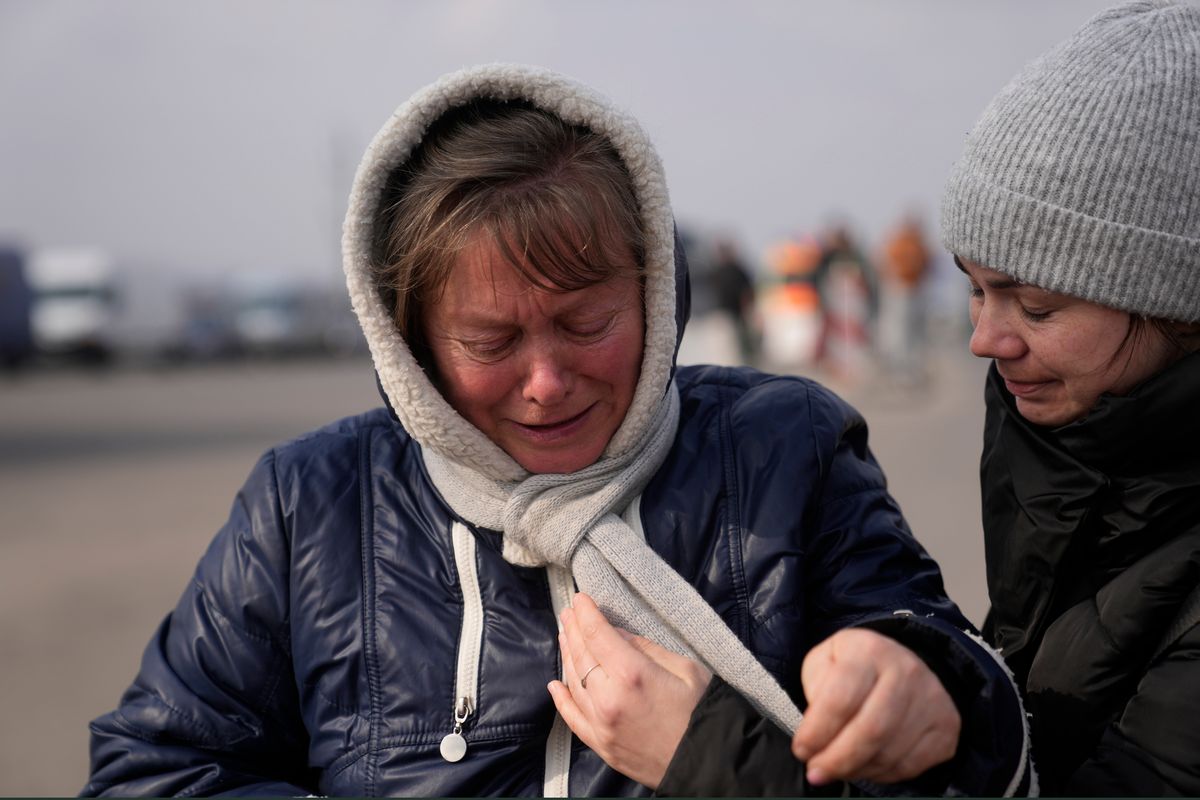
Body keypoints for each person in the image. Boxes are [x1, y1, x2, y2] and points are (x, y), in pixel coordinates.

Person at [81, 65, 1031, 797]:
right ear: (408, 343)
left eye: (586, 323)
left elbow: (958, 680)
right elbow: (152, 767)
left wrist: (927, 682)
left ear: (655, 292)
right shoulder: (309, 505)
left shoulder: (784, 448)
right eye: (489, 340)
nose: (546, 383)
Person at [941, 0, 1200, 793]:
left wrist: (726, 761)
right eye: (977, 291)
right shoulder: (1065, 435)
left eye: (1038, 305)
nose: (986, 338)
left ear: (1177, 305)